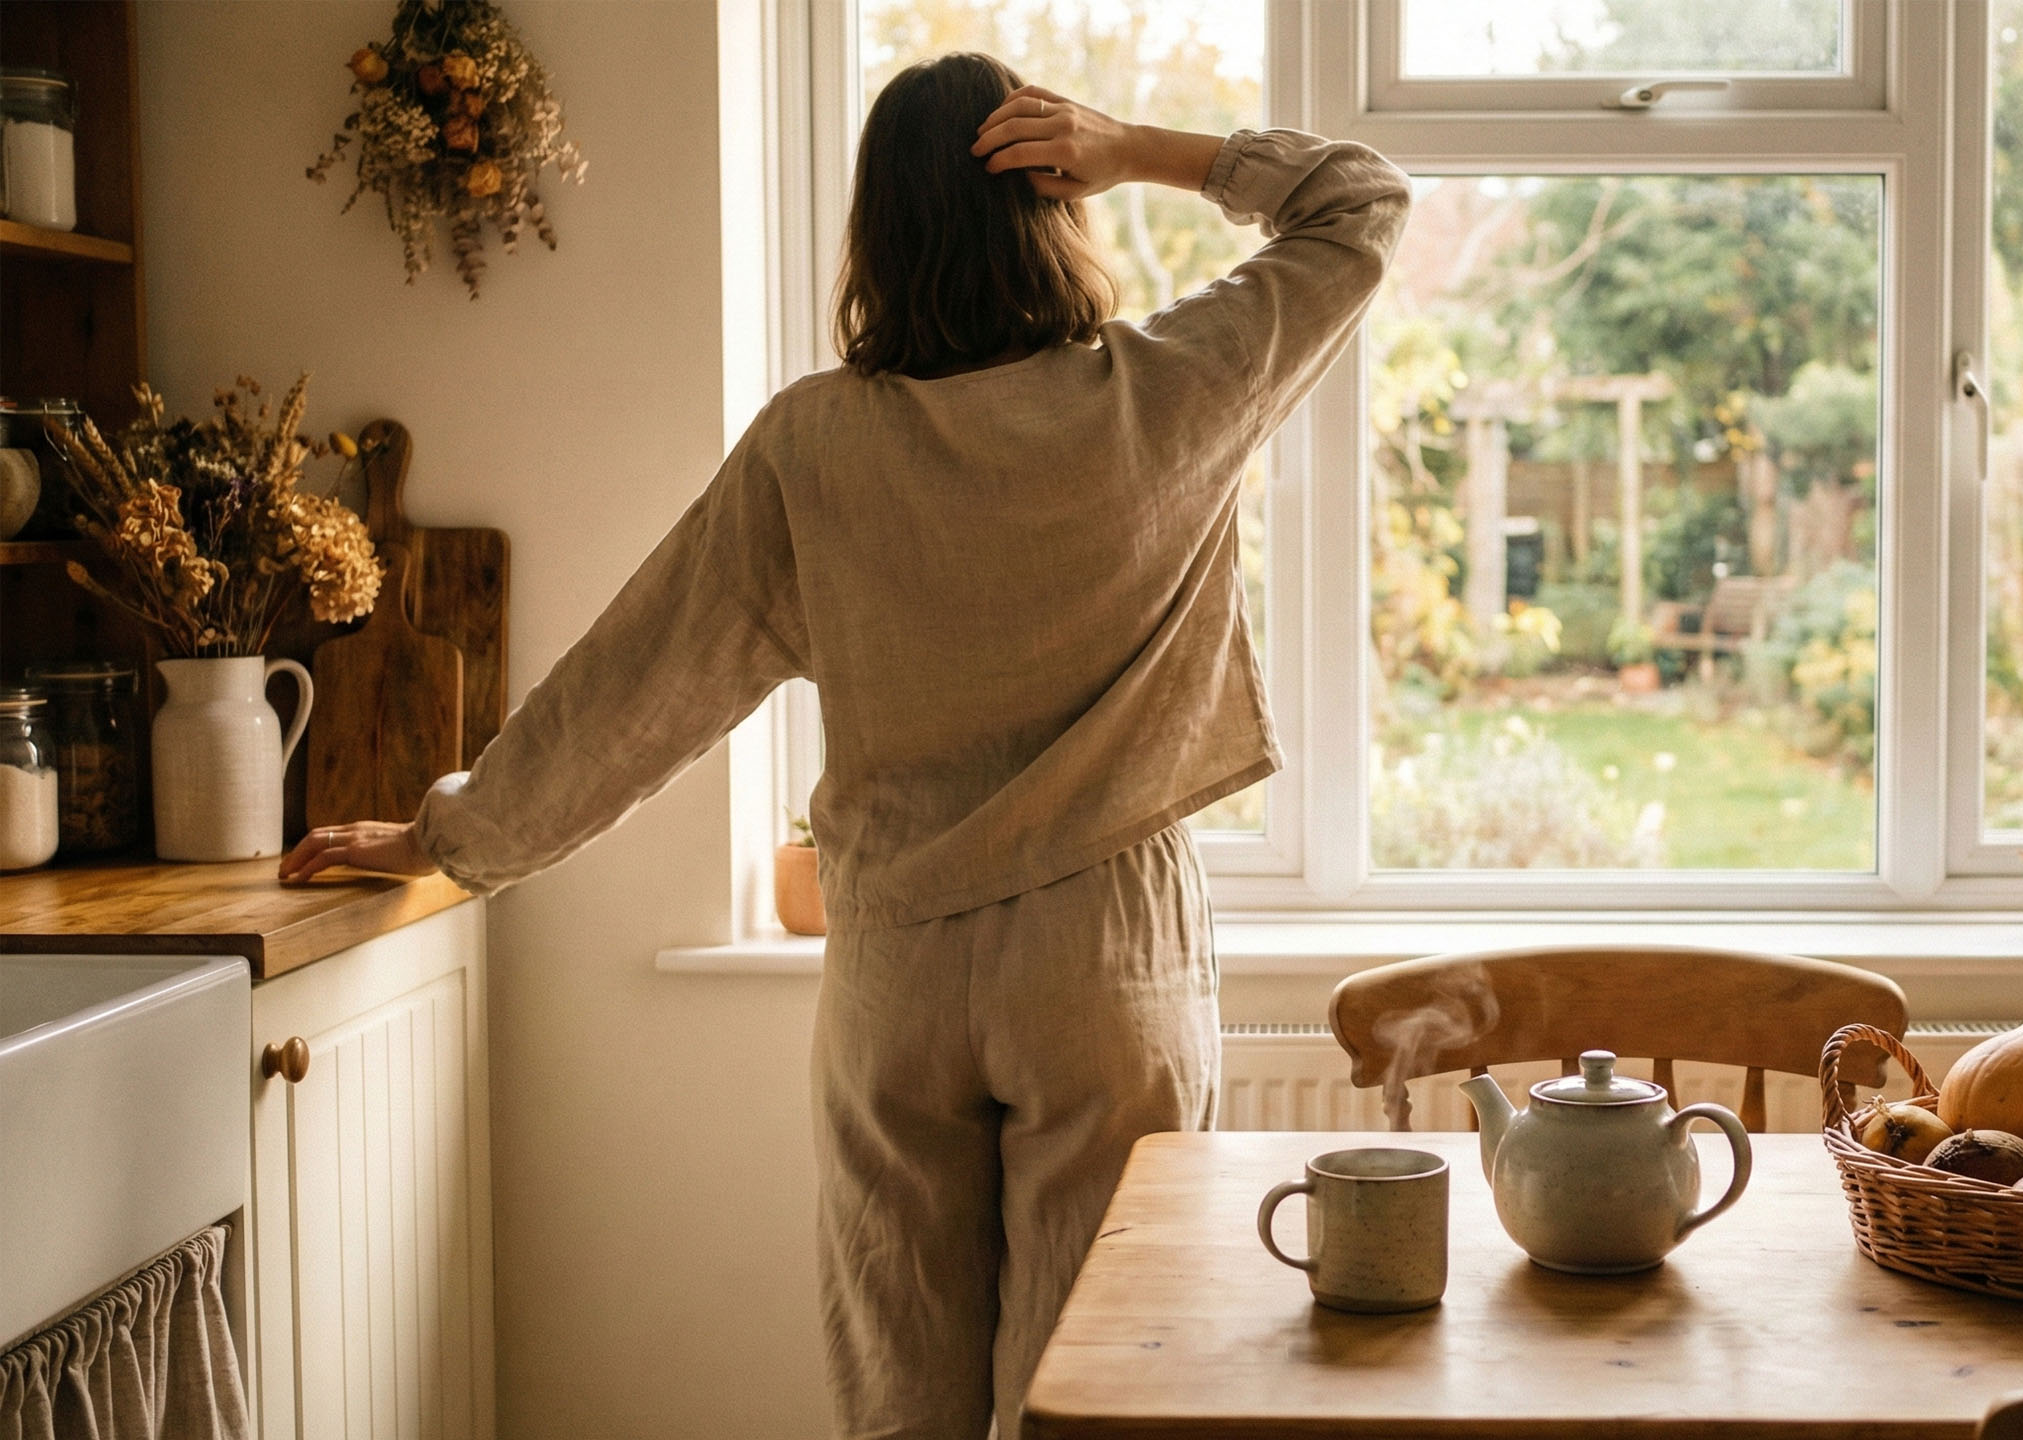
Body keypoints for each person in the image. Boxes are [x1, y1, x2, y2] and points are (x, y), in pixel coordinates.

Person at [277, 50, 1410, 1440]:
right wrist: (1139, 150)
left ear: (874, 235)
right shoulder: (1169, 389)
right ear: (1049, 206)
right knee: (1101, 1390)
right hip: (1104, 951)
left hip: (898, 960)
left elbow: (644, 678)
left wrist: (453, 839)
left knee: (903, 1393)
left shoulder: (814, 444)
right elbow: (1359, 199)